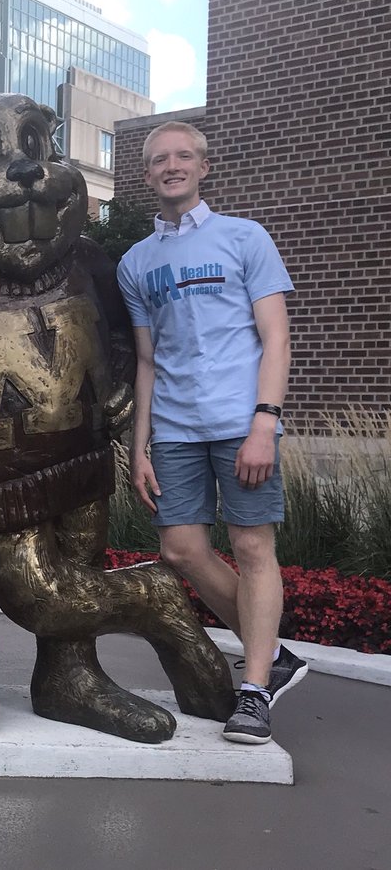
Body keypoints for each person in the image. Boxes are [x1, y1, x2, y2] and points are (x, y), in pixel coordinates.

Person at [117, 121, 308, 746]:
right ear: (147, 175)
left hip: (241, 422)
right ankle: (273, 652)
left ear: (203, 166)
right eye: (159, 159)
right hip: (174, 427)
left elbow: (275, 337)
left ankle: (253, 691)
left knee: (253, 548)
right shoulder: (136, 263)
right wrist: (137, 446)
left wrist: (264, 421)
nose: (171, 166)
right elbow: (147, 361)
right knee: (180, 550)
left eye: (183, 157)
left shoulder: (244, 238)